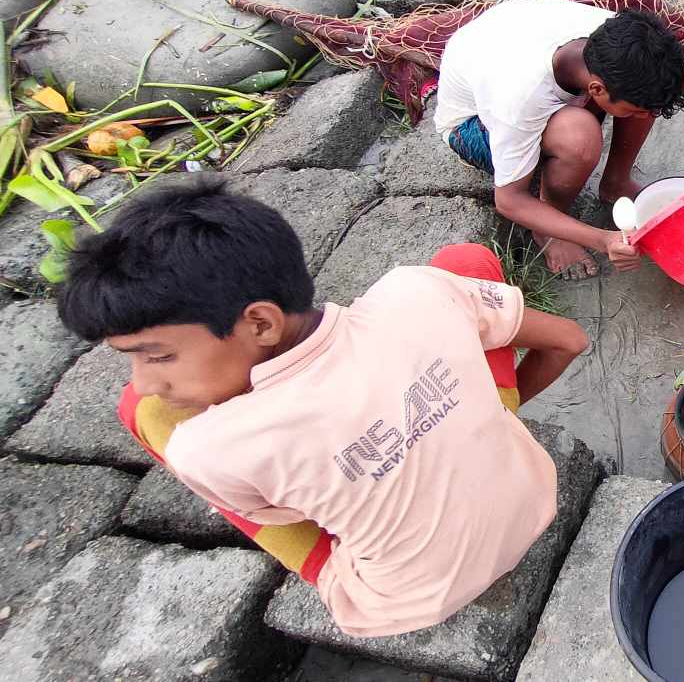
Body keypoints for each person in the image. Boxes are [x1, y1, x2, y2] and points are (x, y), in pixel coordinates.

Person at [57, 179, 591, 638]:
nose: (148, 380)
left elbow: (297, 514)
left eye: (158, 357)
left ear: (260, 323)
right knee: (464, 263)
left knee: (143, 415)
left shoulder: (208, 447)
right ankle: (481, 423)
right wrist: (484, 408)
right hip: (533, 499)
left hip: (406, 603)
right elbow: (568, 340)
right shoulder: (418, 290)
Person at [434, 0, 684, 279]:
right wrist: (602, 239)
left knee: (651, 93)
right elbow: (510, 200)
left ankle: (615, 182)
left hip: (508, 49)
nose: (646, 118)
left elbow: (677, 70)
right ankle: (548, 230)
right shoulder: (518, 98)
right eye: (635, 111)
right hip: (471, 126)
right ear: (596, 89)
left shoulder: (613, 39)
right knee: (580, 137)